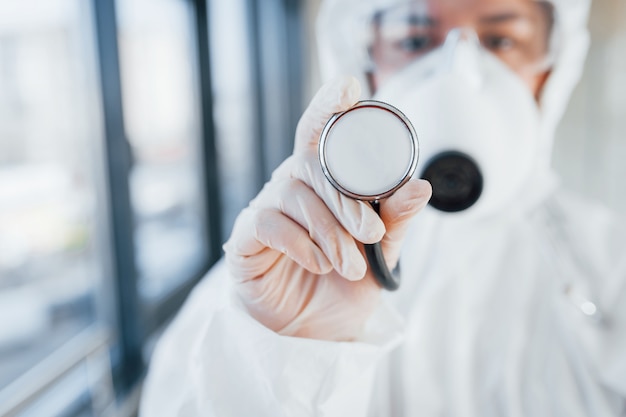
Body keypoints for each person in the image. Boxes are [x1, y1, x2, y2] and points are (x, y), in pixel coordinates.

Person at [140, 0, 626, 415]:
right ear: (362, 59)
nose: (460, 72)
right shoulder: (266, 280)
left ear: (552, 71)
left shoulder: (611, 264)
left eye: (501, 41)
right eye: (414, 41)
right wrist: (287, 354)